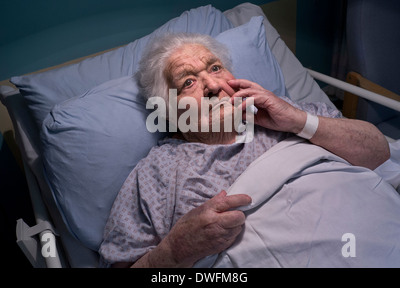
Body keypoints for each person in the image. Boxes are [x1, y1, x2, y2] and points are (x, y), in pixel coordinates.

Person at [99, 33, 390, 268]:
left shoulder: (287, 112)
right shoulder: (156, 173)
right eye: (188, 82)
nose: (212, 85)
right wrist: (176, 251)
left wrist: (299, 121)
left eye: (215, 68)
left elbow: (378, 152)